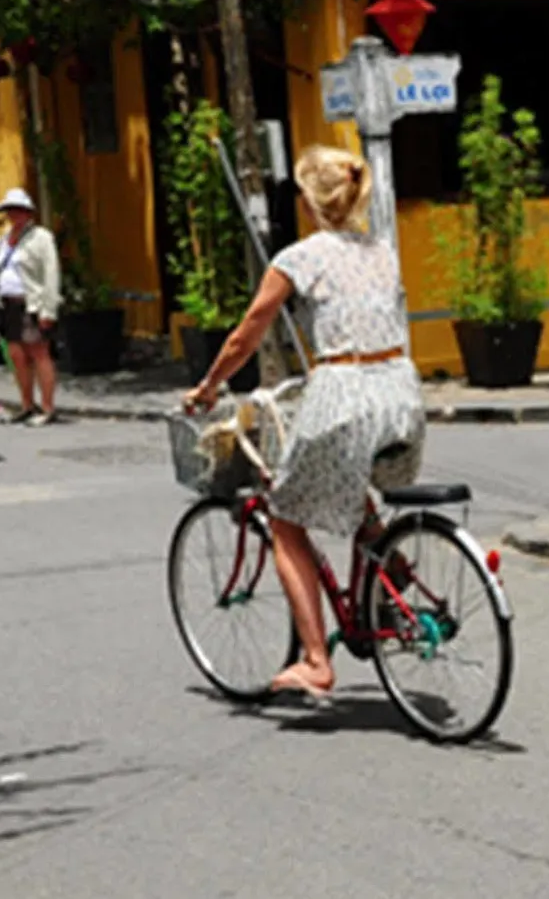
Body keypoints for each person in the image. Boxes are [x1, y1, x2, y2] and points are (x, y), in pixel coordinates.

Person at [183, 146, 425, 697]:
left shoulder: (299, 257)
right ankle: (389, 573)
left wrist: (209, 386)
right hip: (402, 395)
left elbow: (248, 332)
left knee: (286, 517)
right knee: (357, 485)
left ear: (310, 200)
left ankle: (316, 660)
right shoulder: (383, 250)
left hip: (343, 395)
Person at [0, 189, 61, 426]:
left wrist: (48, 310)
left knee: (39, 353)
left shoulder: (41, 237)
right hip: (8, 304)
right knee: (17, 355)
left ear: (28, 212)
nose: (14, 214)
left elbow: (50, 275)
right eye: (10, 210)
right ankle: (26, 404)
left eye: (18, 210)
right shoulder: (4, 238)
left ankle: (48, 407)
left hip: (31, 303)